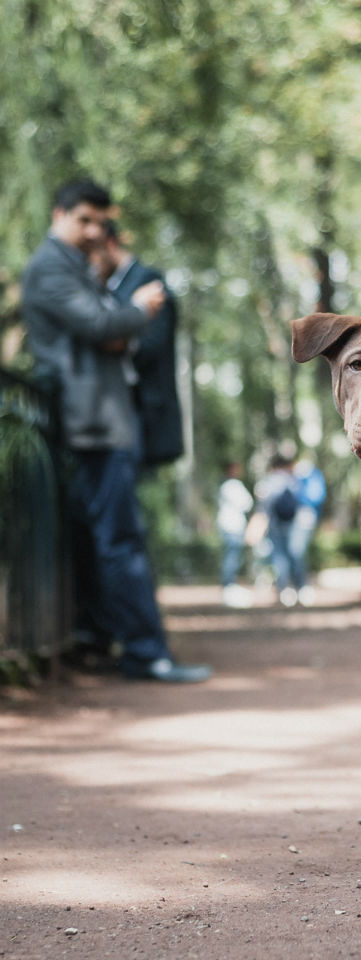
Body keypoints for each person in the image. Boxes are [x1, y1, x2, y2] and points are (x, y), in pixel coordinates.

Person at [20, 178, 211, 682]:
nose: (92, 232)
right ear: (58, 213)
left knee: (114, 538)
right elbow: (102, 327)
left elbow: (107, 331)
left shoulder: (72, 266)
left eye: (99, 223)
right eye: (83, 219)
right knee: (120, 540)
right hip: (96, 423)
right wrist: (139, 311)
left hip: (103, 422)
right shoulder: (49, 267)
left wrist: (115, 325)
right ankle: (147, 653)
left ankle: (124, 644)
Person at [90, 221, 184, 469]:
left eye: (93, 252)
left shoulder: (148, 281)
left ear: (110, 244)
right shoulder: (109, 286)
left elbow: (151, 344)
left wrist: (113, 339)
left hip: (144, 411)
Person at [254, 450, 301, 607]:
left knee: (279, 556)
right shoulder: (292, 480)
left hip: (274, 524)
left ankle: (285, 588)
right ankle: (299, 587)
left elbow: (264, 505)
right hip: (291, 523)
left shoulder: (270, 481)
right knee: (293, 554)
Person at [217, 461, 255, 608]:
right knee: (231, 557)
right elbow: (247, 503)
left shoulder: (225, 486)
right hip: (232, 527)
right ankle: (228, 585)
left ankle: (229, 584)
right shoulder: (232, 486)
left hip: (231, 526)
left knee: (232, 556)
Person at [289, 456, 326, 607]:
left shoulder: (310, 476)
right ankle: (293, 586)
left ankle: (301, 586)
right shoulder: (298, 476)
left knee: (296, 551)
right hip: (292, 520)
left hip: (304, 518)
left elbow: (316, 496)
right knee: (292, 553)